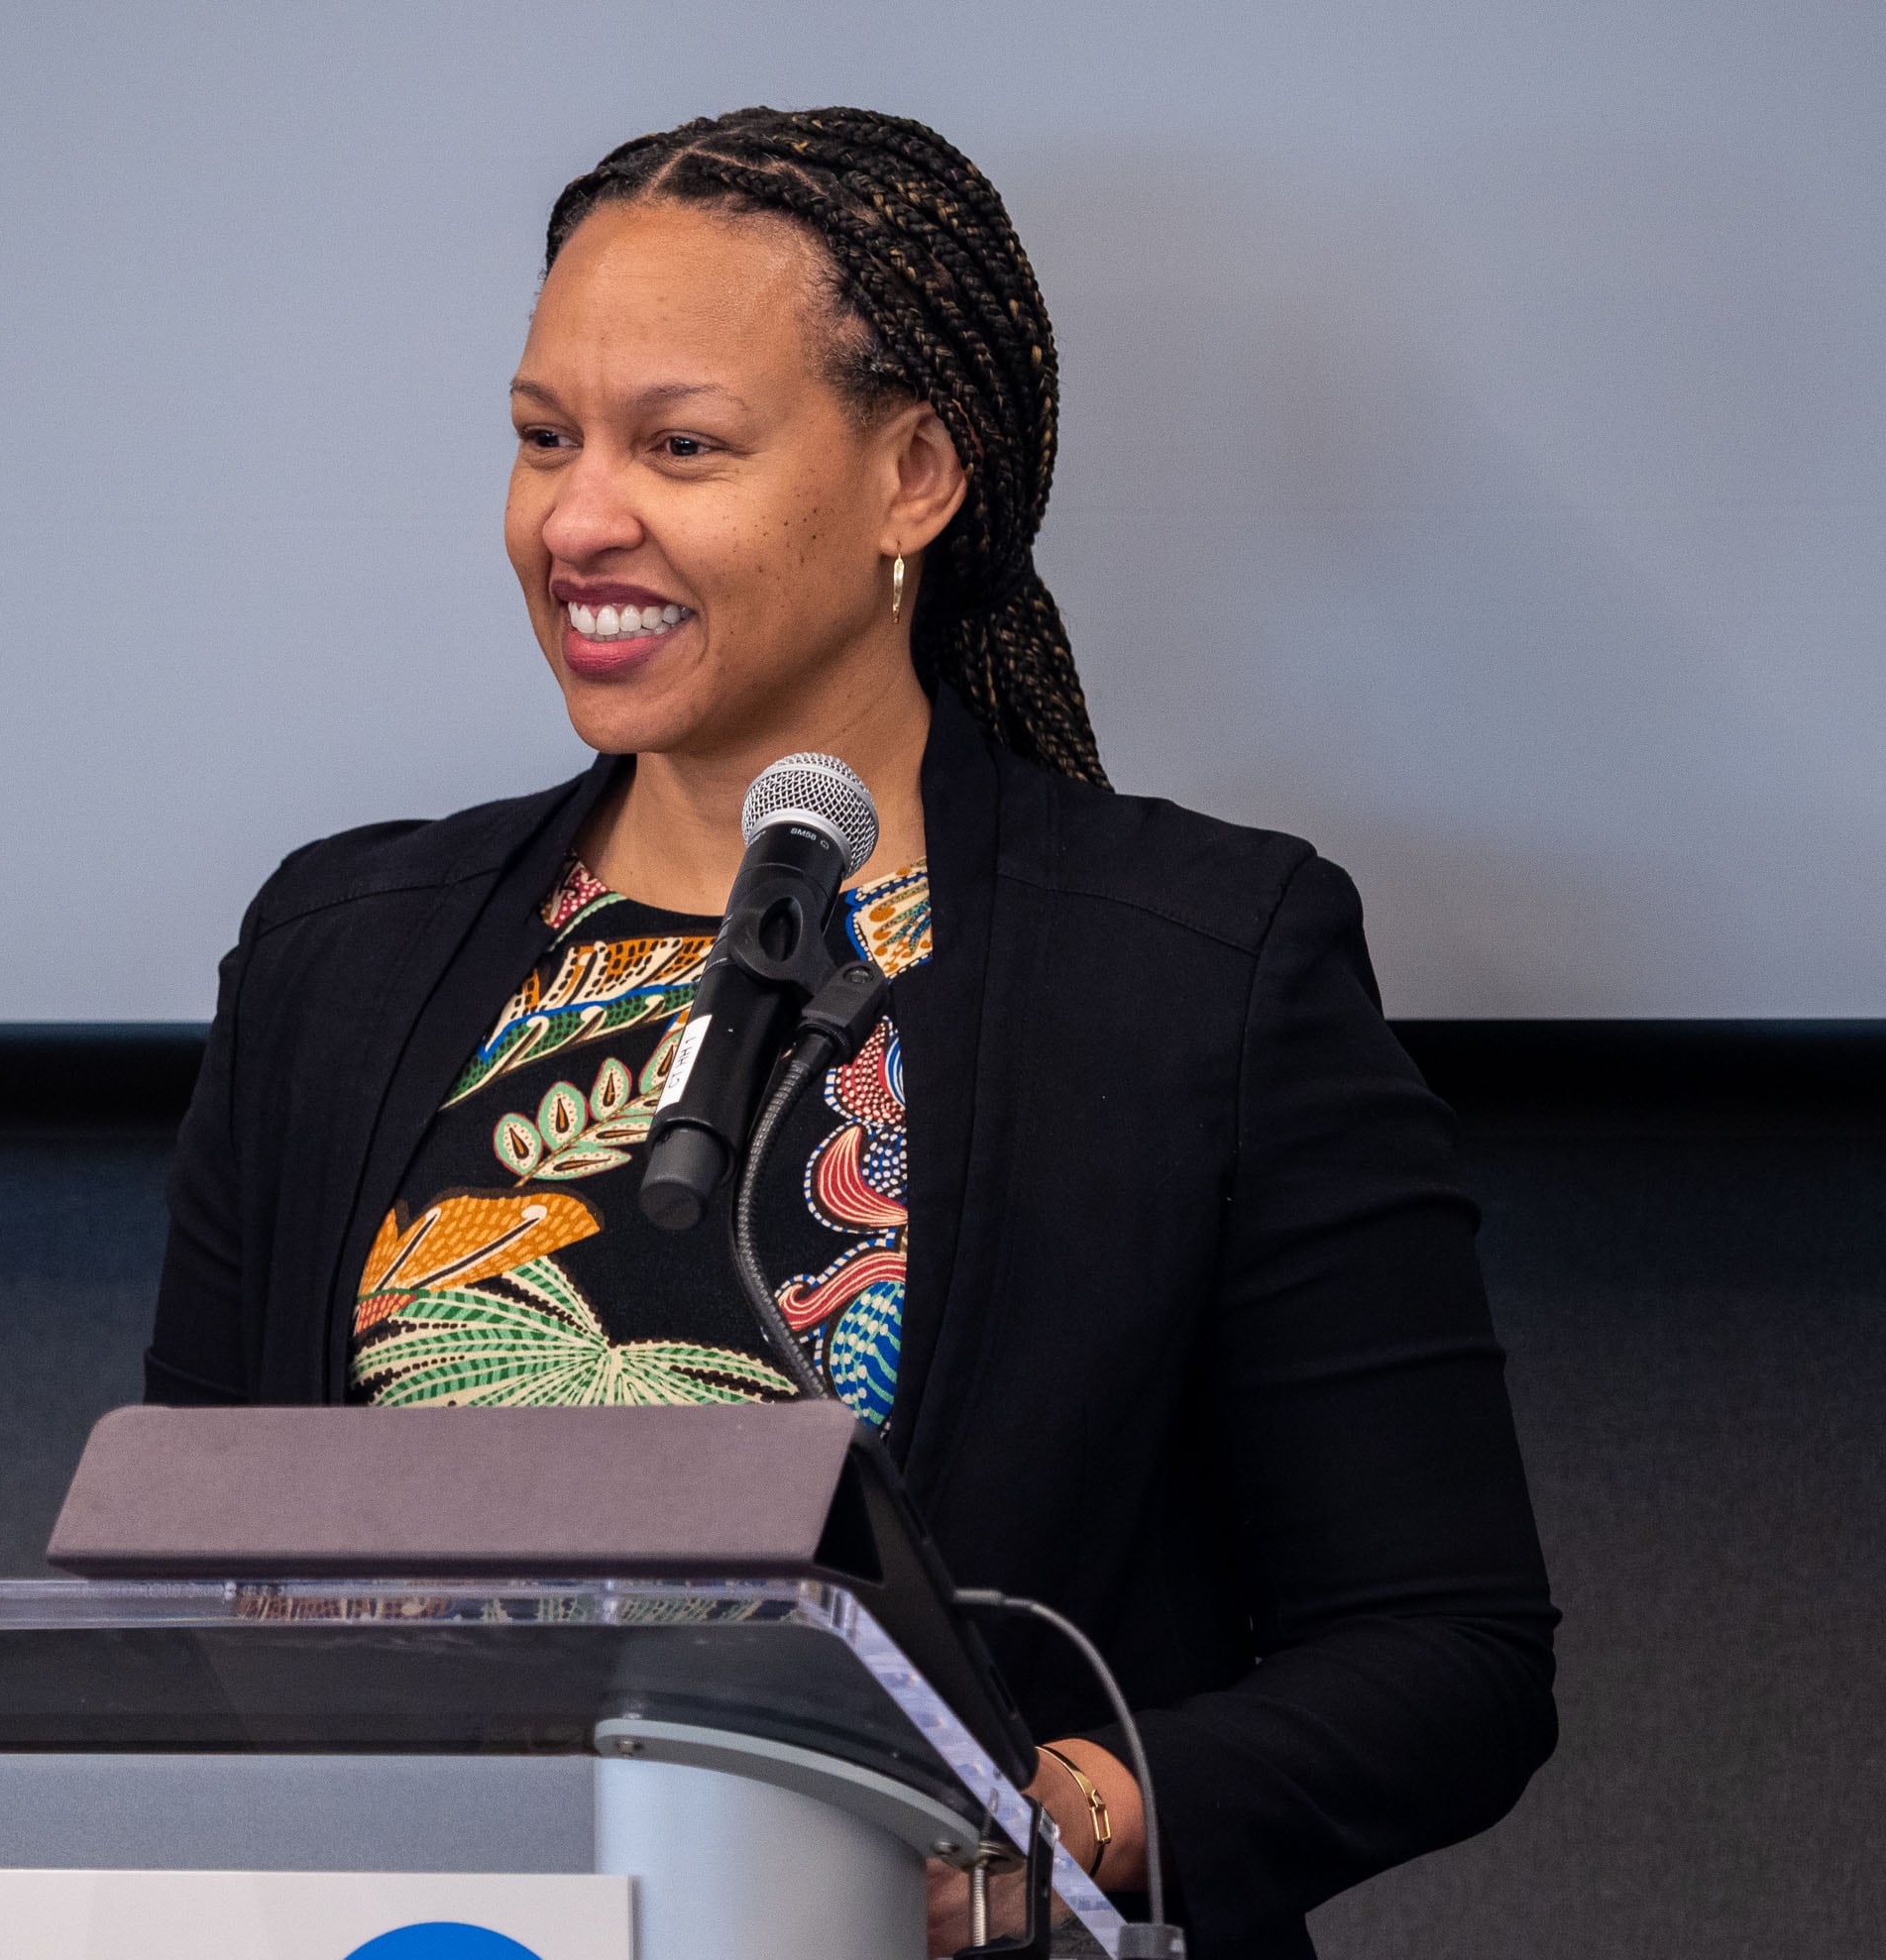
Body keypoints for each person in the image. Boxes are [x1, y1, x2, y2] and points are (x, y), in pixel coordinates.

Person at [144, 106, 1556, 1960]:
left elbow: (1449, 1654)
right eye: (542, 437)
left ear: (915, 475)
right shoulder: (339, 950)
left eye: (682, 446)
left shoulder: (1200, 968)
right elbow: (182, 1585)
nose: (578, 518)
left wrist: (1064, 1821)